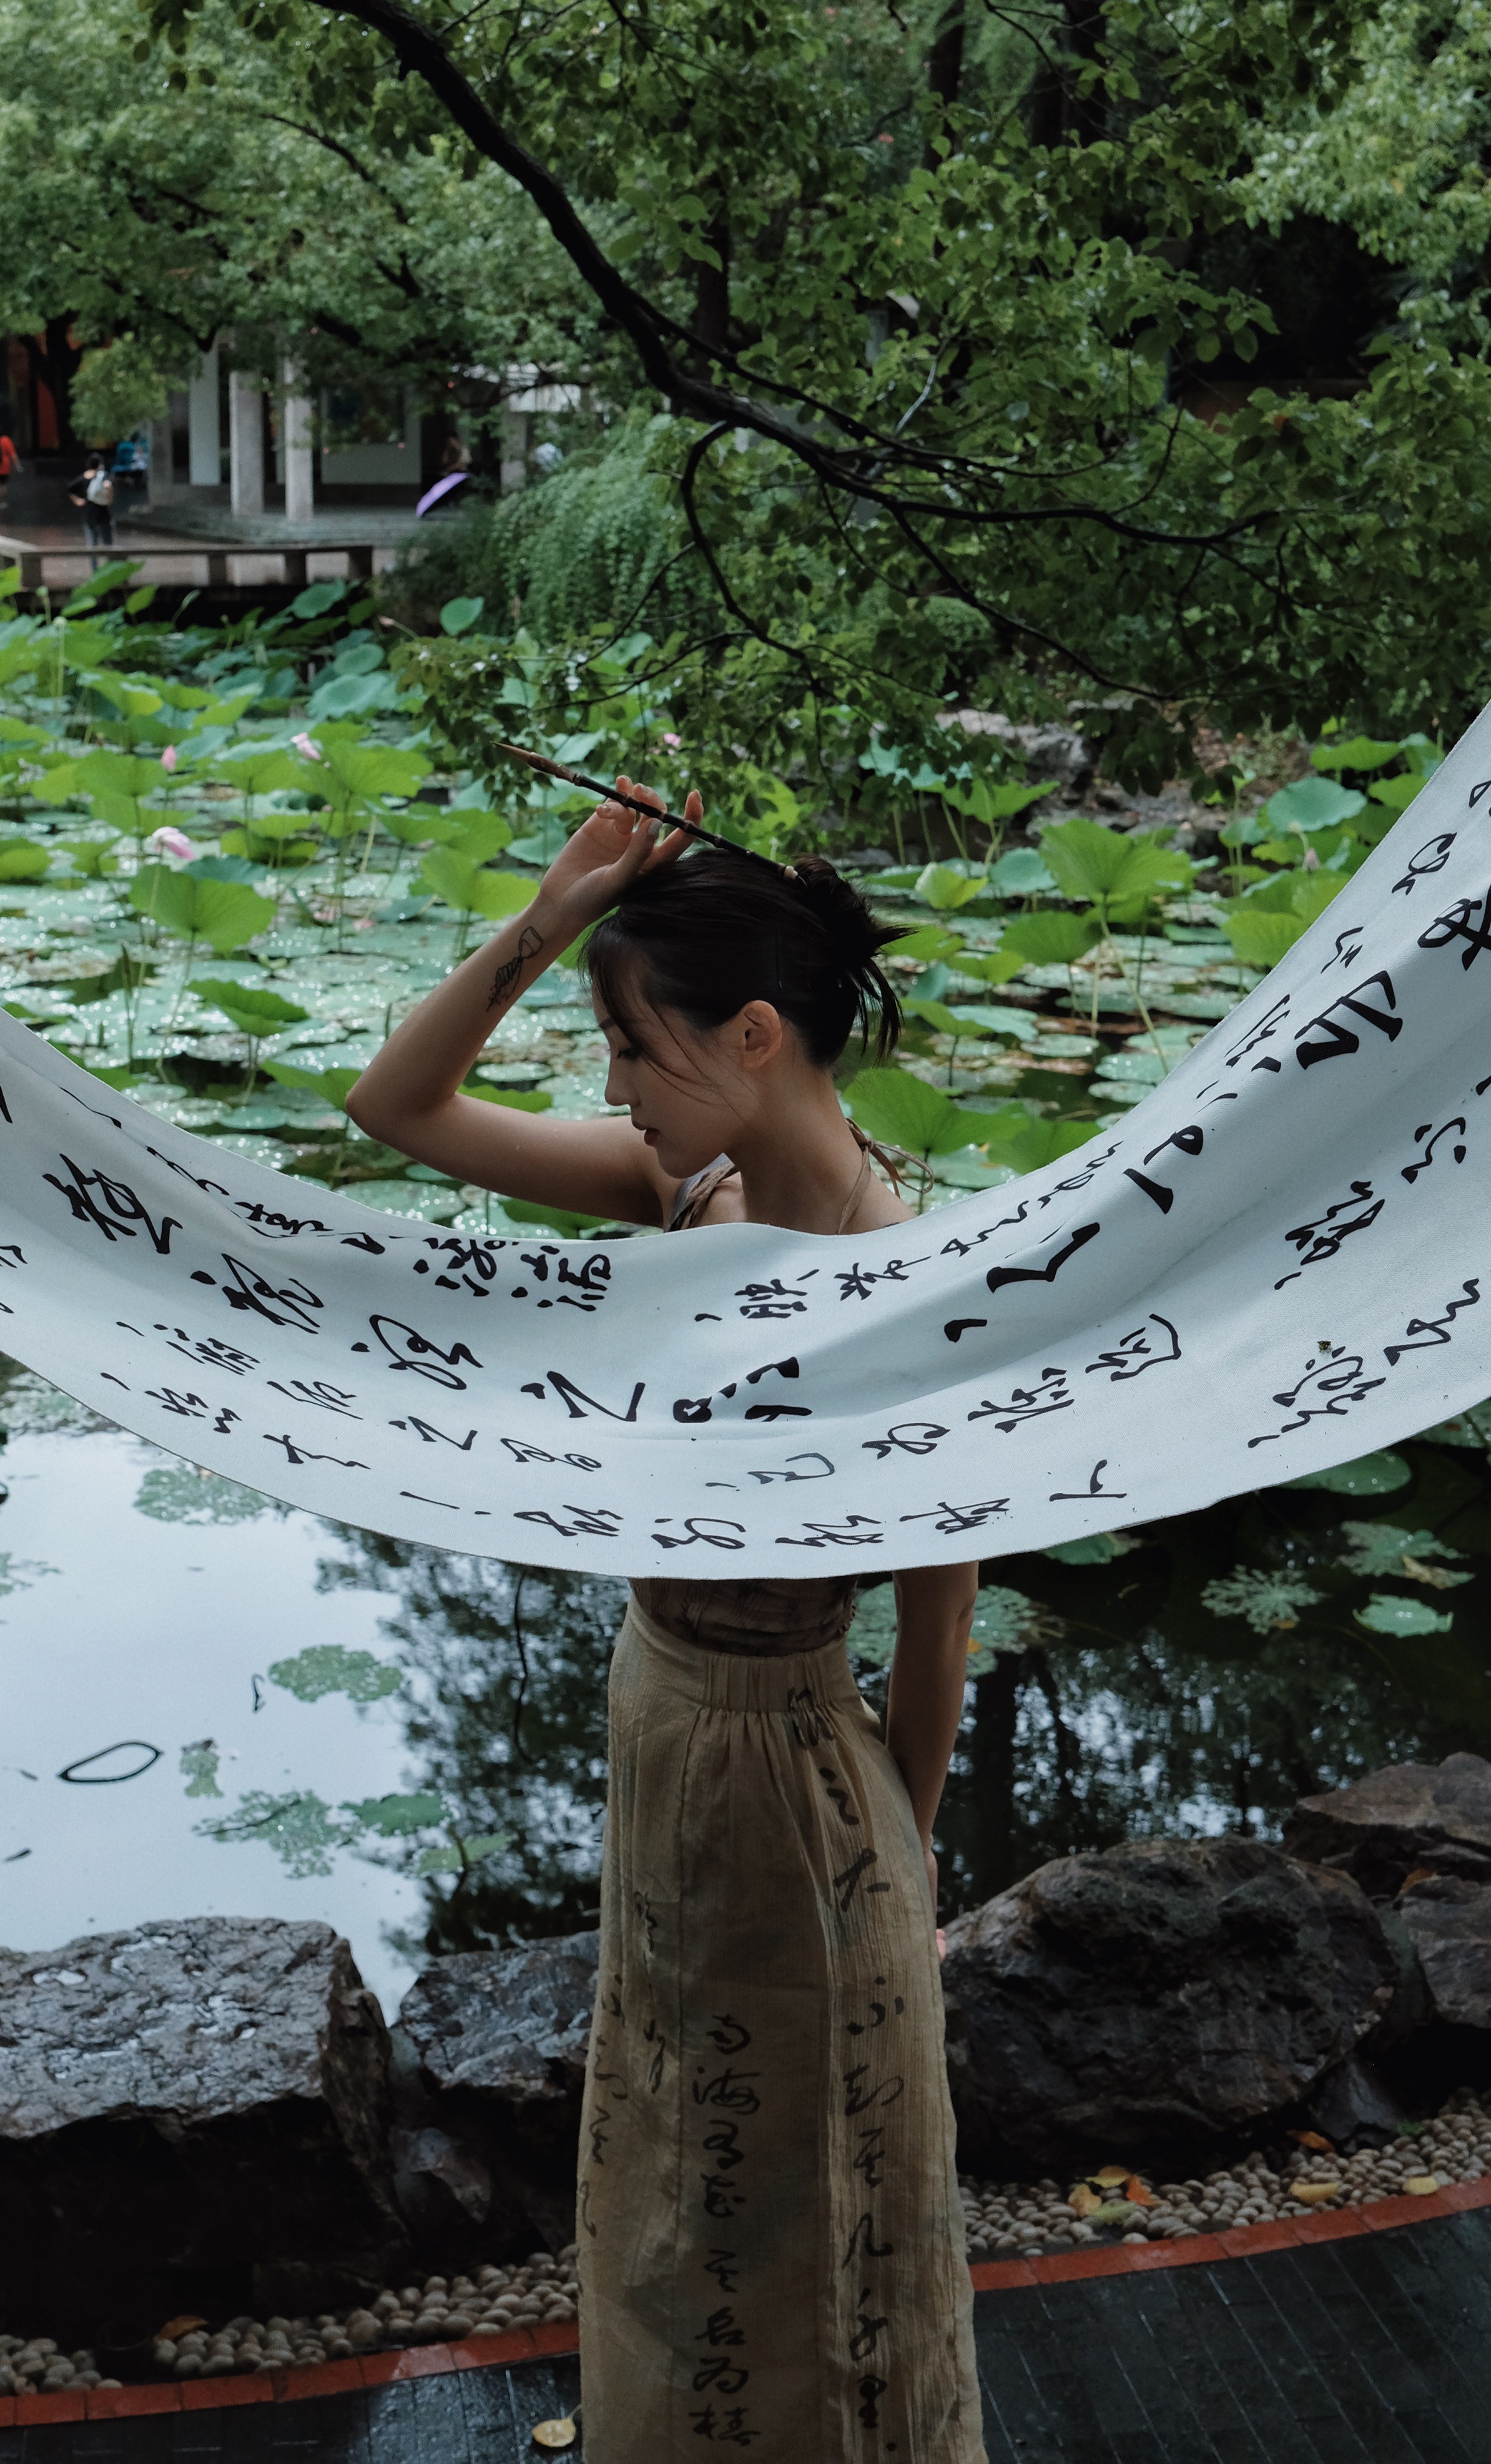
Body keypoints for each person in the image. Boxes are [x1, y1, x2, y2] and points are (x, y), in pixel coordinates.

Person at [347, 781, 985, 2462]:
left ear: (755, 1034)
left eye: (634, 1046)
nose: (615, 1087)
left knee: (788, 2196)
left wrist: (900, 1868)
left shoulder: (904, 1284)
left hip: (792, 1778)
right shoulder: (681, 1191)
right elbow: (394, 1106)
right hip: (662, 1716)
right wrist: (552, 921)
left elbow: (934, 1640)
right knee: (676, 2177)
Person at [68, 451, 116, 554]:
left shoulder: (83, 478)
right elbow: (110, 491)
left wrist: (77, 500)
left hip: (89, 515)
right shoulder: (104, 476)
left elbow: (70, 489)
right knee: (109, 545)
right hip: (104, 515)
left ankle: (94, 569)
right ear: (100, 465)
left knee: (92, 547)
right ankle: (112, 567)